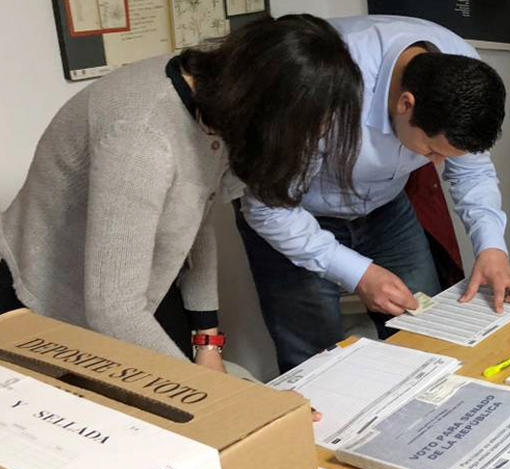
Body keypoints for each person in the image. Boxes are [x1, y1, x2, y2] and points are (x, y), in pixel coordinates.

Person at [0, 15, 362, 373]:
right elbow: (112, 308)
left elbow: (194, 221)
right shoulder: (143, 141)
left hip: (130, 291)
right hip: (43, 299)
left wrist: (208, 341)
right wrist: (205, 393)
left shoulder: (210, 98)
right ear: (266, 107)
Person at [237, 15, 510, 372]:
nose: (435, 164)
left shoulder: (461, 67)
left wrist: (492, 247)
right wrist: (358, 273)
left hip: (386, 208)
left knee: (427, 339)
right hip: (296, 214)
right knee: (315, 361)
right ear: (406, 104)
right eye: (430, 150)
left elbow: (473, 171)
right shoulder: (324, 81)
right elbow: (269, 207)